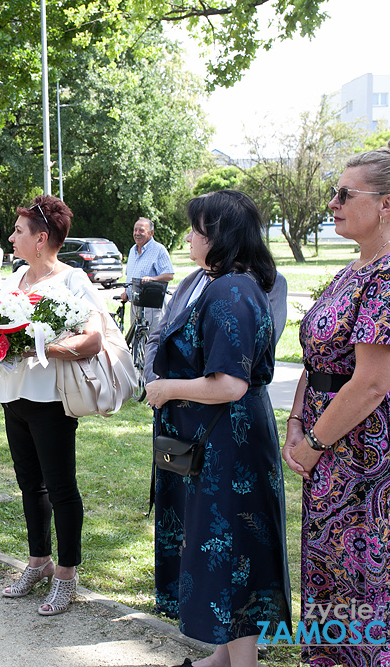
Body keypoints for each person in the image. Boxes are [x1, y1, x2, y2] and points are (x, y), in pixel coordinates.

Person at [283, 134, 390, 667]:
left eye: (342, 194)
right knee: (336, 583)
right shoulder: (357, 266)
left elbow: (372, 382)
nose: (331, 204)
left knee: (372, 586)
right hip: (340, 444)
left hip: (377, 450)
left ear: (385, 205)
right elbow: (320, 360)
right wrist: (295, 421)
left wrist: (312, 443)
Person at [145, 190, 290, 666]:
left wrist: (167, 388)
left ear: (221, 236)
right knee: (218, 548)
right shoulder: (216, 281)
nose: (188, 235)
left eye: (197, 228)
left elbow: (229, 383)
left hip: (231, 445)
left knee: (234, 555)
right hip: (215, 441)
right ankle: (222, 659)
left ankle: (241, 664)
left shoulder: (233, 289)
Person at [0, 195, 104, 615]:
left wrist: (42, 347)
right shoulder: (15, 276)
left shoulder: (73, 280)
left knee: (60, 488)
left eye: (19, 231)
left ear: (41, 239)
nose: (12, 237)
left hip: (50, 398)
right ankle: (38, 561)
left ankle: (67, 575)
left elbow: (92, 340)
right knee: (28, 483)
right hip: (11, 392)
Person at [143, 271, 289, 384]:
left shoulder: (266, 281)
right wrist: (156, 382)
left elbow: (255, 351)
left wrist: (178, 389)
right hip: (175, 412)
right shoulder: (189, 282)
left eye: (196, 231)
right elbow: (157, 339)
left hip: (225, 411)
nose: (188, 238)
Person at [120, 217, 174, 335]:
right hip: (135, 303)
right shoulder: (132, 250)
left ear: (151, 233)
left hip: (152, 306)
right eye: (135, 230)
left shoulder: (158, 249)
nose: (137, 233)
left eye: (141, 230)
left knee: (153, 341)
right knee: (136, 340)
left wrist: (153, 279)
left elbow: (169, 274)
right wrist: (126, 291)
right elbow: (130, 275)